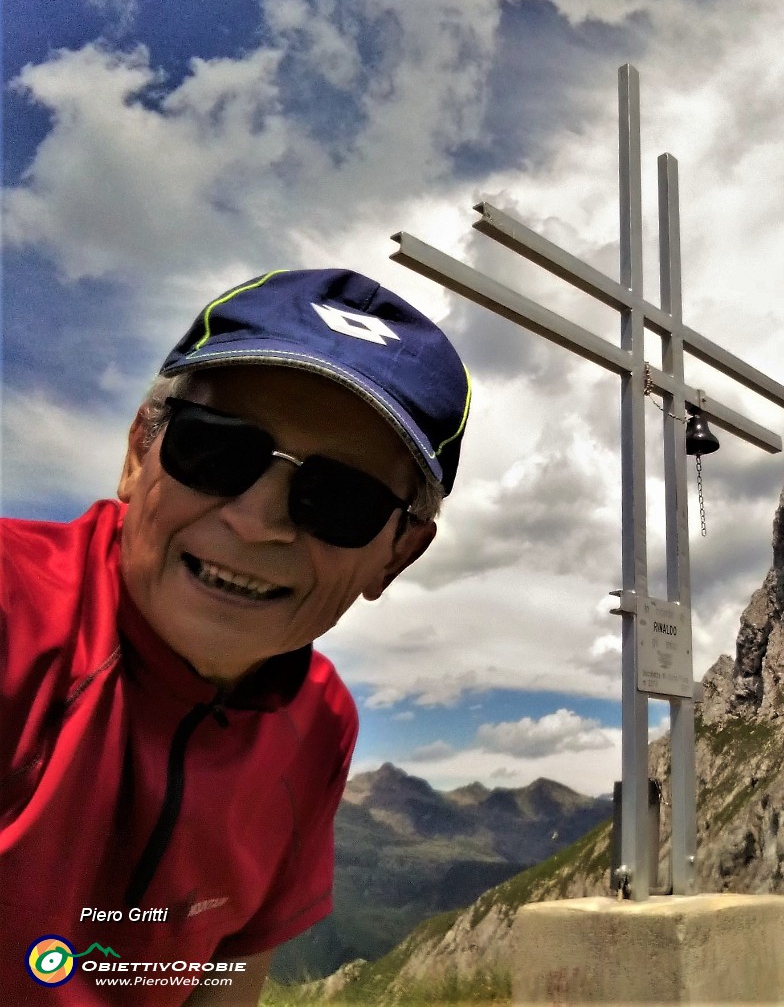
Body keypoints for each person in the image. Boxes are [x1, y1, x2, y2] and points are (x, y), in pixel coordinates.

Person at [0, 269, 471, 1005]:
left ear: (397, 554)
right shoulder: (12, 609)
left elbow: (225, 975)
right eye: (215, 449)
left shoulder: (321, 722)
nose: (255, 522)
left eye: (339, 498)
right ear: (137, 454)